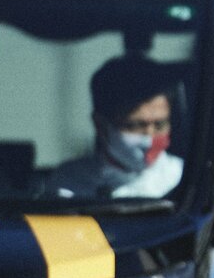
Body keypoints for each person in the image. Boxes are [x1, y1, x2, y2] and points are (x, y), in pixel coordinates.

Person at [42, 55, 183, 199]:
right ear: (101, 126)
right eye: (134, 126)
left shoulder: (183, 178)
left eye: (159, 125)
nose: (149, 139)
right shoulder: (69, 182)